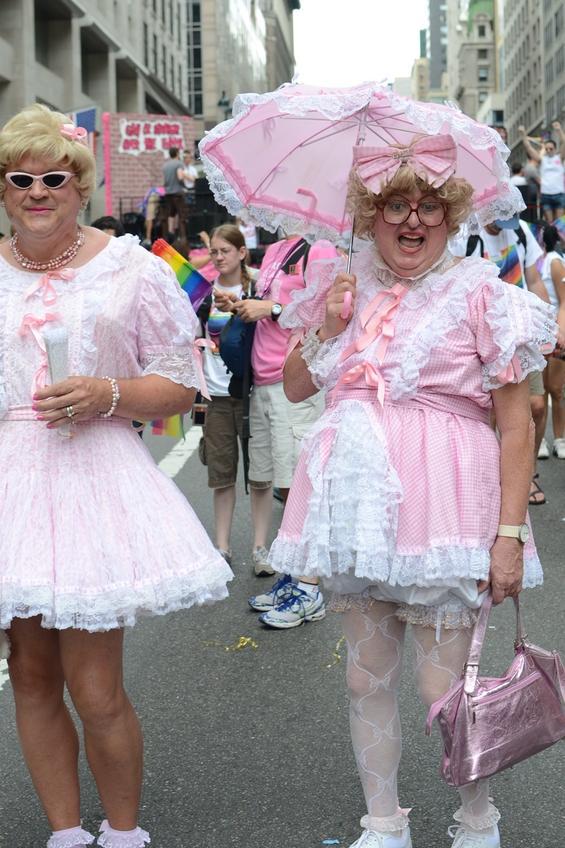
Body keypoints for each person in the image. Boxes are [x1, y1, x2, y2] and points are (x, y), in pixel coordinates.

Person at [268, 138, 558, 847]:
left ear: (450, 215)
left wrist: (509, 534)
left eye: (429, 205)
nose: (411, 219)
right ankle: (382, 822)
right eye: (395, 203)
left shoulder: (483, 295)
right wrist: (330, 326)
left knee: (442, 691)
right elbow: (297, 385)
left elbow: (515, 424)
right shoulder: (343, 285)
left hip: (446, 504)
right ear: (369, 215)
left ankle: (475, 817)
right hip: (359, 509)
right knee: (366, 680)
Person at [0, 104, 233, 848]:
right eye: (20, 179)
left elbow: (182, 382)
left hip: (94, 475)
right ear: (3, 191)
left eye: (54, 178)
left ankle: (124, 832)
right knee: (30, 677)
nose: (38, 192)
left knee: (94, 688)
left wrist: (105, 393)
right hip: (11, 481)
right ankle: (67, 833)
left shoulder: (134, 265)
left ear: (81, 184)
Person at [215, 235, 338, 621]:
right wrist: (242, 306)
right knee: (271, 479)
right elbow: (268, 310)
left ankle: (309, 585)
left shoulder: (321, 248)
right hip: (261, 379)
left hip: (294, 382)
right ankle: (291, 576)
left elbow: (328, 317)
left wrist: (271, 307)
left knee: (297, 484)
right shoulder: (274, 250)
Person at [451, 216, 551, 506]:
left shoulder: (520, 232)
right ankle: (496, 473)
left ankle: (528, 470)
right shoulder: (466, 235)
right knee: (494, 413)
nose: (501, 230)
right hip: (483, 334)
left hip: (521, 334)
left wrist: (549, 326)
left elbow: (533, 280)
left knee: (536, 404)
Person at [197, 224, 258, 564]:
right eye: (215, 252)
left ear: (241, 252)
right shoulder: (205, 294)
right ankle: (222, 546)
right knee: (221, 476)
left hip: (252, 393)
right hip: (216, 396)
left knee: (259, 475)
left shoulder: (258, 287)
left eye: (225, 251)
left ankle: (261, 547)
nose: (219, 257)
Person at [538, 224, 565, 460]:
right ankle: (542, 441)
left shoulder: (555, 262)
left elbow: (563, 299)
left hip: (556, 335)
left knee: (555, 390)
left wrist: (560, 333)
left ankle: (559, 438)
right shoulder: (539, 261)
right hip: (539, 335)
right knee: (539, 394)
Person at [519, 122, 565, 222]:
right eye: (546, 148)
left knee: (559, 223)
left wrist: (559, 130)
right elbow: (529, 148)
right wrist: (523, 134)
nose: (548, 150)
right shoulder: (542, 160)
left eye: (551, 148)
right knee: (550, 223)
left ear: (555, 149)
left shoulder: (560, 158)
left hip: (559, 194)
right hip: (546, 195)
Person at [161, 146, 186, 239]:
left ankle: (169, 237)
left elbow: (164, 181)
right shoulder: (179, 164)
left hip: (168, 194)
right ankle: (182, 238)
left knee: (170, 215)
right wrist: (184, 184)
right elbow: (180, 177)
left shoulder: (165, 165)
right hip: (178, 194)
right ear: (177, 153)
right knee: (182, 217)